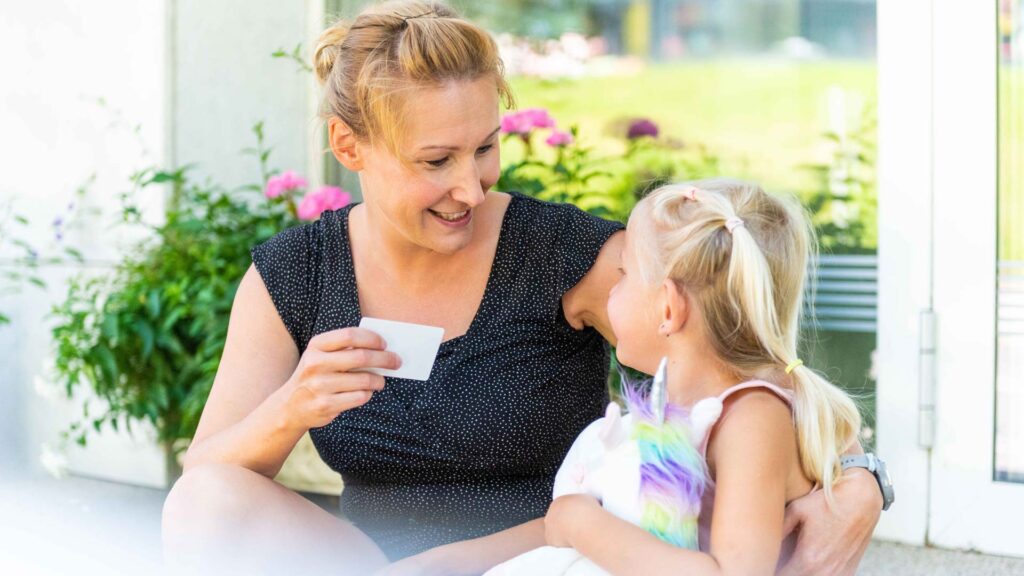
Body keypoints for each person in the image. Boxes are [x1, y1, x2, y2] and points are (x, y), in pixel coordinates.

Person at [161, 2, 883, 574]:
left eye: (485, 147)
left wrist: (863, 482)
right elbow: (209, 479)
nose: (469, 188)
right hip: (376, 563)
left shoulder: (563, 254)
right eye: (436, 159)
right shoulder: (297, 273)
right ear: (350, 147)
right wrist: (292, 407)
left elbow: (742, 355)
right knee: (203, 504)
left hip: (543, 558)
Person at [491, 180, 861, 575]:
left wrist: (586, 526)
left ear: (668, 308)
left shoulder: (753, 419)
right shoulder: (680, 396)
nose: (611, 290)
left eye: (623, 275)